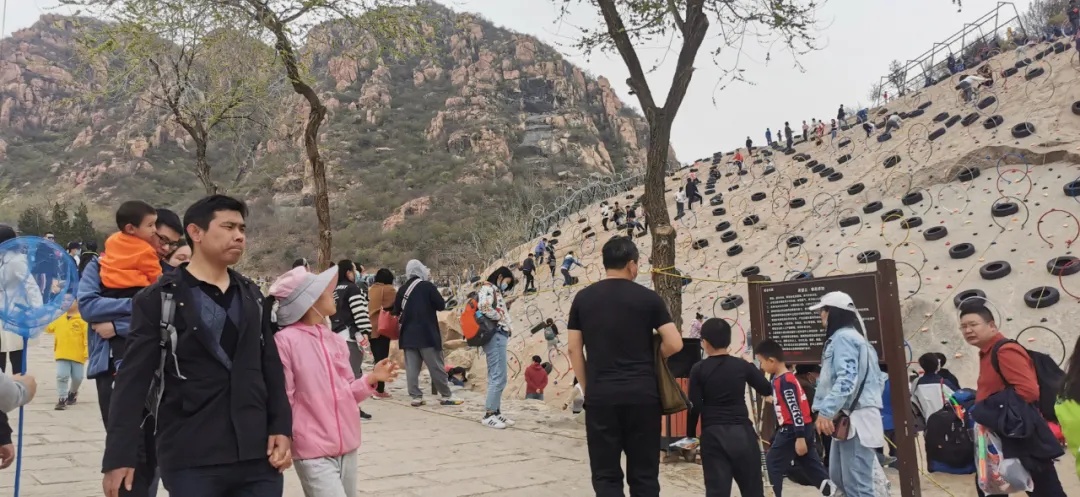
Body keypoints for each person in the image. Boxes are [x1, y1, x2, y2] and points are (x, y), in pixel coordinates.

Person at [102, 195, 292, 497]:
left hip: (257, 455)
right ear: (196, 232)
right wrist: (119, 455)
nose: (239, 235)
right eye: (228, 226)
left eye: (242, 228)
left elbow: (270, 365)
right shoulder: (159, 298)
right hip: (191, 455)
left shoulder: (252, 295)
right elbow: (133, 380)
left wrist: (281, 426)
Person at [269, 265, 399, 497]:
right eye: (326, 292)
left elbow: (347, 390)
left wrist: (372, 378)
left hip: (347, 444)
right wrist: (284, 437)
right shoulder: (285, 341)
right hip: (311, 448)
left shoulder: (335, 341)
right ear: (310, 302)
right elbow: (284, 396)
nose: (334, 295)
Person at [567, 236, 682, 497]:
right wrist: (654, 356)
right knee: (644, 476)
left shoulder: (583, 298)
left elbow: (574, 349)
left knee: (606, 475)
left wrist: (588, 388)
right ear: (631, 264)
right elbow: (675, 343)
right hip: (643, 396)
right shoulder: (648, 298)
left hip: (601, 397)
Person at [81, 208, 182, 497]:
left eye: (171, 244)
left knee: (155, 452)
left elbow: (172, 316)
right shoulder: (102, 264)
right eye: (162, 238)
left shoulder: (164, 271)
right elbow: (88, 306)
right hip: (112, 367)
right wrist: (144, 305)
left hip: (159, 369)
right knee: (128, 449)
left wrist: (117, 324)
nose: (165, 247)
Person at [960, 304, 1066, 497]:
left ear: (992, 325)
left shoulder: (1005, 350)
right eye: (964, 326)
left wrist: (986, 410)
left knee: (1045, 489)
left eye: (973, 324)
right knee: (990, 487)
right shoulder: (987, 353)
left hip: (1019, 435)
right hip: (998, 436)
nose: (968, 330)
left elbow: (1028, 391)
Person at [810, 291, 884, 497]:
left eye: (824, 310)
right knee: (841, 481)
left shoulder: (843, 339)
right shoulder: (858, 340)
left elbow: (847, 378)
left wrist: (826, 411)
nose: (821, 315)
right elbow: (879, 381)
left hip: (855, 421)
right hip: (850, 418)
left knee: (856, 486)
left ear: (834, 312)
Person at [685, 319, 770, 496]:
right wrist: (750, 365)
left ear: (705, 342)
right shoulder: (741, 365)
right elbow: (766, 388)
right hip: (743, 434)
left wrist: (691, 435)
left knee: (717, 491)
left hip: (713, 435)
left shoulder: (698, 369)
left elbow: (695, 406)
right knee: (753, 490)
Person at [755, 339, 836, 497]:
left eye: (761, 362)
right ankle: (832, 491)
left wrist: (799, 437)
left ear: (771, 361)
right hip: (801, 428)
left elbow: (795, 410)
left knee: (772, 465)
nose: (762, 366)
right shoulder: (782, 379)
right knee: (810, 465)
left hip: (792, 430)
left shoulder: (785, 381)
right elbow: (786, 402)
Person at [394, 259, 462, 407]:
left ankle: (416, 396)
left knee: (412, 368)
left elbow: (396, 310)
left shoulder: (402, 289)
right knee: (436, 366)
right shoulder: (428, 286)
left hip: (408, 335)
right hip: (427, 334)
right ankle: (446, 395)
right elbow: (441, 305)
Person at [331, 259, 373, 420]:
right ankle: (352, 406)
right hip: (350, 335)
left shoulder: (335, 289)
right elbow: (359, 311)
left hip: (336, 334)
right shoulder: (352, 288)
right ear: (348, 272)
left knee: (339, 374)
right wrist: (365, 330)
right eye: (354, 270)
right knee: (353, 373)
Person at [478, 266, 517, 429]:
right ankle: (489, 414)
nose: (506, 286)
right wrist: (500, 318)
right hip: (496, 333)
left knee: (499, 375)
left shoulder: (494, 290)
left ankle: (496, 411)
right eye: (507, 282)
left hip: (499, 334)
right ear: (500, 277)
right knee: (498, 375)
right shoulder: (488, 289)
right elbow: (484, 307)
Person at [99, 201, 162, 299]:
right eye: (150, 225)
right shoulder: (145, 250)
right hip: (135, 290)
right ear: (130, 228)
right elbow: (155, 275)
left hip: (107, 288)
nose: (154, 230)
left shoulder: (112, 239)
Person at [45, 297, 88, 410]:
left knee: (78, 378)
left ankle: (73, 392)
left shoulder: (83, 320)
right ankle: (62, 398)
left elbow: (87, 338)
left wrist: (87, 351)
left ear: (77, 303)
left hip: (78, 355)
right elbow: (48, 328)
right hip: (62, 353)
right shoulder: (59, 318)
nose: (65, 302)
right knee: (62, 375)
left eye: (69, 300)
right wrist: (44, 318)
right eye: (63, 300)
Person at [367, 268, 396, 398]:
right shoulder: (389, 289)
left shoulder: (372, 289)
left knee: (377, 358)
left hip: (370, 328)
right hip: (382, 328)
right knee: (382, 359)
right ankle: (378, 389)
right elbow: (396, 305)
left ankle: (374, 387)